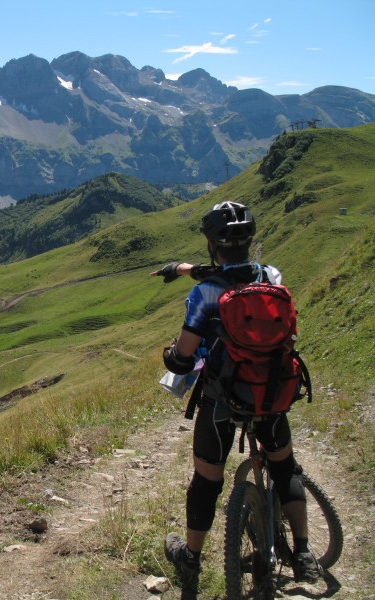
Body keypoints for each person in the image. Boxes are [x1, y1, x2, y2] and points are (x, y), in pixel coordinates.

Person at [151, 201, 320, 594]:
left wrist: (171, 355)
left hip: (223, 400)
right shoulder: (272, 276)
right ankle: (305, 553)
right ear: (249, 241)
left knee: (207, 479)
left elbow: (183, 360)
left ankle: (190, 557)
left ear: (212, 244)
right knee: (285, 468)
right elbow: (236, 276)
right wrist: (182, 268)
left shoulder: (205, 295)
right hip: (273, 391)